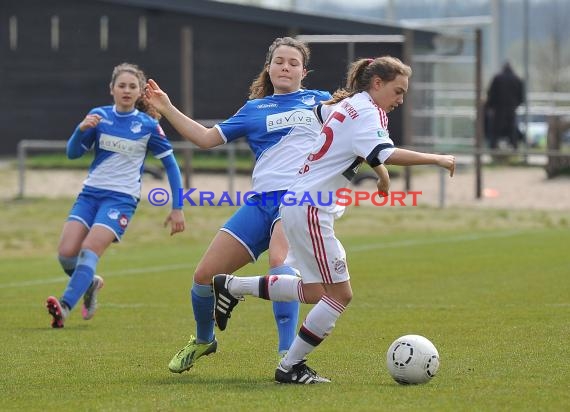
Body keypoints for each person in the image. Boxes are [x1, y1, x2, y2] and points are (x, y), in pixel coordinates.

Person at [211, 56, 456, 384]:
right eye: (398, 91)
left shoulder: (350, 104)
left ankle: (232, 285)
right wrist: (436, 158)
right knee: (340, 295)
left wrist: (377, 175)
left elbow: (325, 119)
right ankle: (290, 366)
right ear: (377, 83)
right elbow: (384, 152)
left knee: (314, 291)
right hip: (311, 208)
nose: (401, 99)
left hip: (298, 203)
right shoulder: (368, 112)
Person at [144, 37, 333, 373]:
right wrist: (166, 107)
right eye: (279, 61)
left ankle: (287, 356)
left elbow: (358, 116)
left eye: (293, 62)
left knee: (279, 260)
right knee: (203, 276)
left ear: (304, 71)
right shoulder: (253, 109)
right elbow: (204, 138)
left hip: (297, 200)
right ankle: (204, 340)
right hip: (260, 204)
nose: (285, 67)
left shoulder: (321, 102)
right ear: (269, 67)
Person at [46, 63, 186, 328]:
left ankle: (63, 308)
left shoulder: (147, 125)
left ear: (140, 93)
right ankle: (90, 283)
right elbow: (73, 153)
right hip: (90, 194)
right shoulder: (98, 117)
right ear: (111, 89)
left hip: (121, 199)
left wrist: (177, 207)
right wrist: (81, 130)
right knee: (66, 254)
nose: (126, 90)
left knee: (89, 251)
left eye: (132, 86)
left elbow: (172, 166)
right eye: (121, 85)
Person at [486, 61, 524, 149]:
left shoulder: (497, 78)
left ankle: (493, 149)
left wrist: (490, 106)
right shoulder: (517, 79)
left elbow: (491, 94)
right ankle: (514, 148)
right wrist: (515, 105)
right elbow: (521, 97)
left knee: (495, 131)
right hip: (511, 109)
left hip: (498, 109)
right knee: (512, 130)